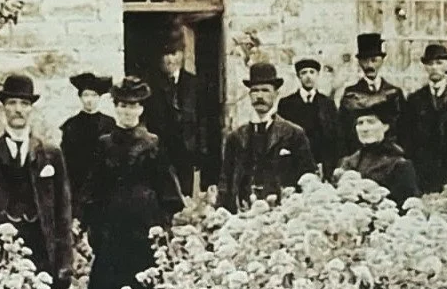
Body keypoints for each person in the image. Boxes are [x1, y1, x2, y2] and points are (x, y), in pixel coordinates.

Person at [79, 76, 184, 289]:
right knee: (109, 282)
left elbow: (168, 191)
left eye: (133, 106)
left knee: (146, 282)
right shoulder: (104, 144)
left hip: (144, 227)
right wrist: (90, 224)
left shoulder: (152, 143)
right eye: (123, 105)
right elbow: (92, 190)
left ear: (141, 109)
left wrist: (162, 226)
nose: (128, 111)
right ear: (115, 108)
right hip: (111, 229)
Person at [0, 74, 74, 289]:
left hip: (40, 248)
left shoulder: (50, 154)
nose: (18, 109)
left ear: (31, 109)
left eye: (24, 104)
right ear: (3, 108)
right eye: (12, 103)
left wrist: (64, 262)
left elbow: (63, 211)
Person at [220, 62, 315, 211]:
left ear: (276, 94)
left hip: (282, 212)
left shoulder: (294, 134)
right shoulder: (236, 137)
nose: (259, 96)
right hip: (244, 213)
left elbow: (308, 179)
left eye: (265, 90)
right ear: (249, 95)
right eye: (255, 91)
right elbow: (225, 182)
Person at [141, 31, 201, 198]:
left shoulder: (194, 83)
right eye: (165, 54)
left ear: (181, 55)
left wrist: (200, 152)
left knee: (187, 196)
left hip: (187, 151)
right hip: (161, 150)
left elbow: (202, 120)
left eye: (174, 53)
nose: (170, 60)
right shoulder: (150, 85)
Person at [399, 43, 447, 194]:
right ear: (424, 66)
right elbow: (406, 135)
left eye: (439, 63)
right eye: (430, 64)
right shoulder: (415, 99)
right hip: (423, 171)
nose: (434, 67)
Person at [336, 110, 419, 208]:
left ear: (386, 126)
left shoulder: (399, 165)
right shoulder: (348, 162)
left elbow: (409, 208)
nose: (364, 129)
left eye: (371, 122)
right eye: (360, 123)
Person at [338, 32, 405, 155]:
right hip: (360, 156)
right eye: (365, 60)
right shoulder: (350, 95)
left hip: (389, 156)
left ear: (382, 61)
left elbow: (403, 129)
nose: (369, 65)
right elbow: (344, 132)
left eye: (374, 60)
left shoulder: (394, 93)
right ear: (359, 62)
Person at [277, 57, 342, 179]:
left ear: (317, 75)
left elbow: (335, 135)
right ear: (298, 76)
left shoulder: (327, 103)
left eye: (312, 72)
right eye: (304, 73)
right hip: (296, 162)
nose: (308, 76)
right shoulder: (286, 103)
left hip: (322, 162)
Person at [60, 73, 117, 202]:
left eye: (94, 95)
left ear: (99, 97)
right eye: (86, 95)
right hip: (77, 183)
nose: (89, 100)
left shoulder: (109, 123)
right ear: (80, 97)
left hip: (103, 183)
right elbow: (65, 158)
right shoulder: (71, 125)